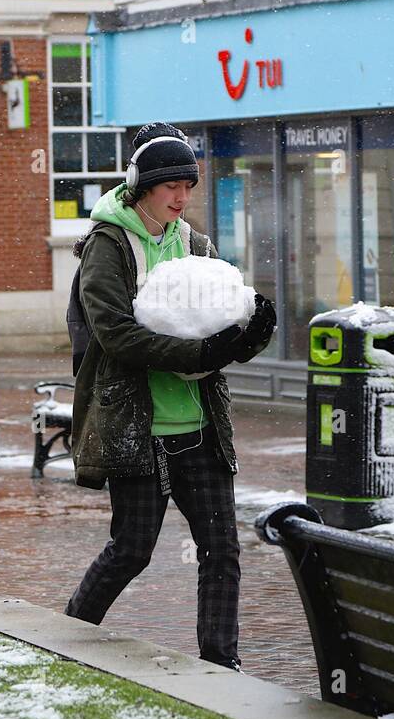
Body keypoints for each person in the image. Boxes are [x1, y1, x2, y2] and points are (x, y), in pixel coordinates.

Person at [64, 122, 276, 671]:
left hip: (199, 428)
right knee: (132, 549)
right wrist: (201, 354)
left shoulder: (193, 243)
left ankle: (219, 665)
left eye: (189, 185)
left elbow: (214, 327)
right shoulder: (108, 247)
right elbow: (114, 333)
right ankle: (60, 637)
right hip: (139, 429)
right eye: (170, 187)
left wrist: (250, 334)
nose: (182, 197)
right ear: (141, 187)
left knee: (222, 550)